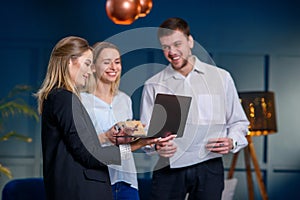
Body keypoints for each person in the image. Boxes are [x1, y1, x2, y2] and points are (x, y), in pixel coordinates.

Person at [140, 17, 250, 200]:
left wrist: (232, 141)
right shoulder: (153, 84)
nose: (172, 52)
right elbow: (147, 133)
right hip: (168, 167)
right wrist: (156, 145)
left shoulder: (221, 78)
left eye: (177, 44)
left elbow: (239, 122)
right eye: (166, 47)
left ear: (190, 41)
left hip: (209, 166)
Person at [35, 36, 132, 200]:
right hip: (80, 191)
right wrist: (135, 145)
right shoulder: (63, 98)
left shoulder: (62, 98)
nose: (90, 71)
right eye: (87, 63)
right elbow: (89, 155)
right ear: (69, 61)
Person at [80, 42, 170, 200]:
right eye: (107, 62)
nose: (113, 67)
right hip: (95, 180)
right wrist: (106, 136)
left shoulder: (124, 100)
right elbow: (79, 143)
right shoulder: (81, 100)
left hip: (126, 180)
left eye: (117, 62)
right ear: (93, 67)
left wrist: (143, 138)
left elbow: (126, 144)